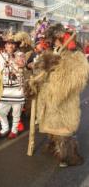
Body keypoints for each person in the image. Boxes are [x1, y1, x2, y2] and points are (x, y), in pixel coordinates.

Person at [28, 23, 89, 167]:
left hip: (64, 100)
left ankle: (67, 155)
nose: (51, 42)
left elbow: (77, 78)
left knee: (64, 129)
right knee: (51, 126)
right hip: (48, 99)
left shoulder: (75, 55)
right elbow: (40, 73)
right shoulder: (51, 53)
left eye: (54, 39)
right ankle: (54, 147)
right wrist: (35, 81)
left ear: (61, 38)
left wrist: (58, 72)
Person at [0, 38, 26, 139]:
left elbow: (22, 64)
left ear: (15, 46)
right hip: (5, 89)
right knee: (0, 111)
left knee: (16, 112)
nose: (11, 46)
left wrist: (13, 57)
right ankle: (5, 128)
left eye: (13, 44)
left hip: (18, 89)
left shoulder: (20, 54)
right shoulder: (0, 56)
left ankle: (14, 130)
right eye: (9, 44)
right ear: (5, 45)